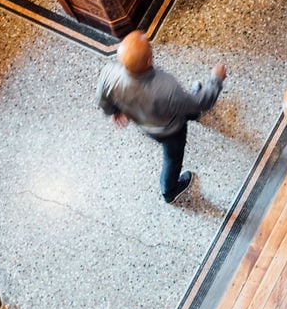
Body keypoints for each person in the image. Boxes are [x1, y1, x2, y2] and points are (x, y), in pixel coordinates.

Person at [97, 30, 227, 203]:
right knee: (173, 159)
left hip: (147, 124)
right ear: (150, 59)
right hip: (171, 130)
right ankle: (169, 191)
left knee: (185, 106)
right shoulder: (165, 87)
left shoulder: (109, 74)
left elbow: (102, 98)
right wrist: (216, 79)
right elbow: (201, 102)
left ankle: (192, 113)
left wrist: (114, 111)